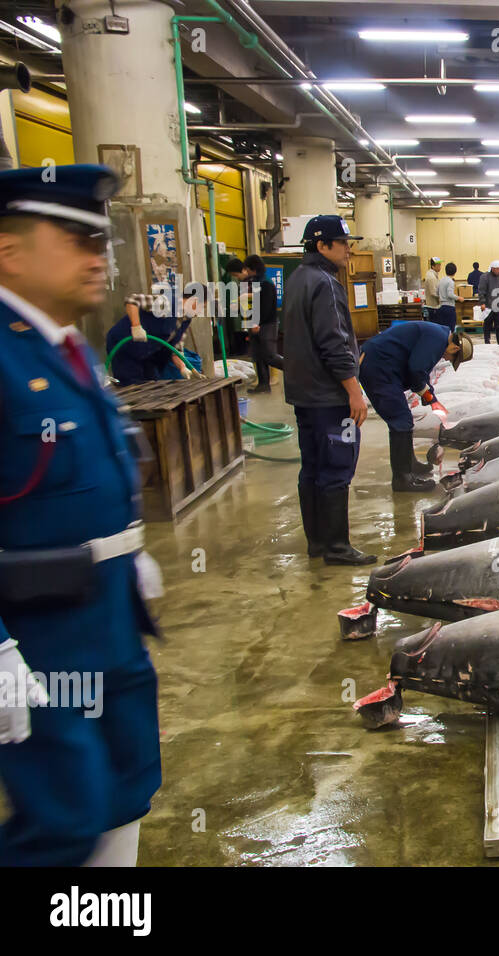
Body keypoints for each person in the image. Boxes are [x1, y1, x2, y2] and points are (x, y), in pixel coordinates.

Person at [0, 163, 162, 866]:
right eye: (75, 240)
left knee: (127, 789)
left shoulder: (71, 351)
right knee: (64, 818)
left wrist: (129, 550)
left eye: (101, 241)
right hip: (40, 647)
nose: (100, 258)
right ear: (9, 250)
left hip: (111, 625)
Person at [281, 214, 375, 566]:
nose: (349, 250)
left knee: (313, 467)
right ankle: (337, 547)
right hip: (330, 397)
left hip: (305, 396)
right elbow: (332, 343)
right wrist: (353, 390)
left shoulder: (297, 279)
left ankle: (318, 543)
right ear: (322, 246)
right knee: (338, 464)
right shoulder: (325, 283)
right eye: (343, 243)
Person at [359, 321, 473, 491]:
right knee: (401, 420)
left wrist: (430, 396)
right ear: (455, 349)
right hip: (379, 368)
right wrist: (428, 396)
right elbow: (416, 369)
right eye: (451, 359)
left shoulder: (438, 336)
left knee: (404, 420)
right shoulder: (437, 340)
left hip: (383, 366)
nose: (446, 359)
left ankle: (409, 465)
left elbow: (421, 371)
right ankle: (402, 479)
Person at [107, 291, 197, 384]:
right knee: (131, 384)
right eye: (203, 306)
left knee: (153, 384)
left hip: (146, 352)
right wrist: (136, 327)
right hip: (124, 345)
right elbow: (132, 300)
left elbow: (175, 349)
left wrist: (182, 368)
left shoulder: (185, 320)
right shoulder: (166, 303)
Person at [241, 254, 282, 393]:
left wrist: (258, 324)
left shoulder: (266, 283)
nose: (246, 272)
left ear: (253, 268)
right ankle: (263, 385)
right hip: (258, 323)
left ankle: (296, 370)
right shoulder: (257, 281)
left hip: (267, 325)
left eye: (247, 269)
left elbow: (265, 307)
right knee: (258, 355)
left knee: (270, 356)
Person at [478, 259, 499, 346]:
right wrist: (482, 303)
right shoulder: (484, 277)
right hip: (488, 306)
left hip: (498, 305)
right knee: (487, 325)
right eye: (497, 269)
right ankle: (487, 342)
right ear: (493, 269)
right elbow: (481, 290)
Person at [434, 262, 460, 330]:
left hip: (441, 307)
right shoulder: (450, 282)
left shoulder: (441, 280)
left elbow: (436, 292)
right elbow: (450, 294)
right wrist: (458, 298)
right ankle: (450, 341)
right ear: (455, 272)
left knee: (443, 329)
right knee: (451, 329)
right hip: (449, 308)